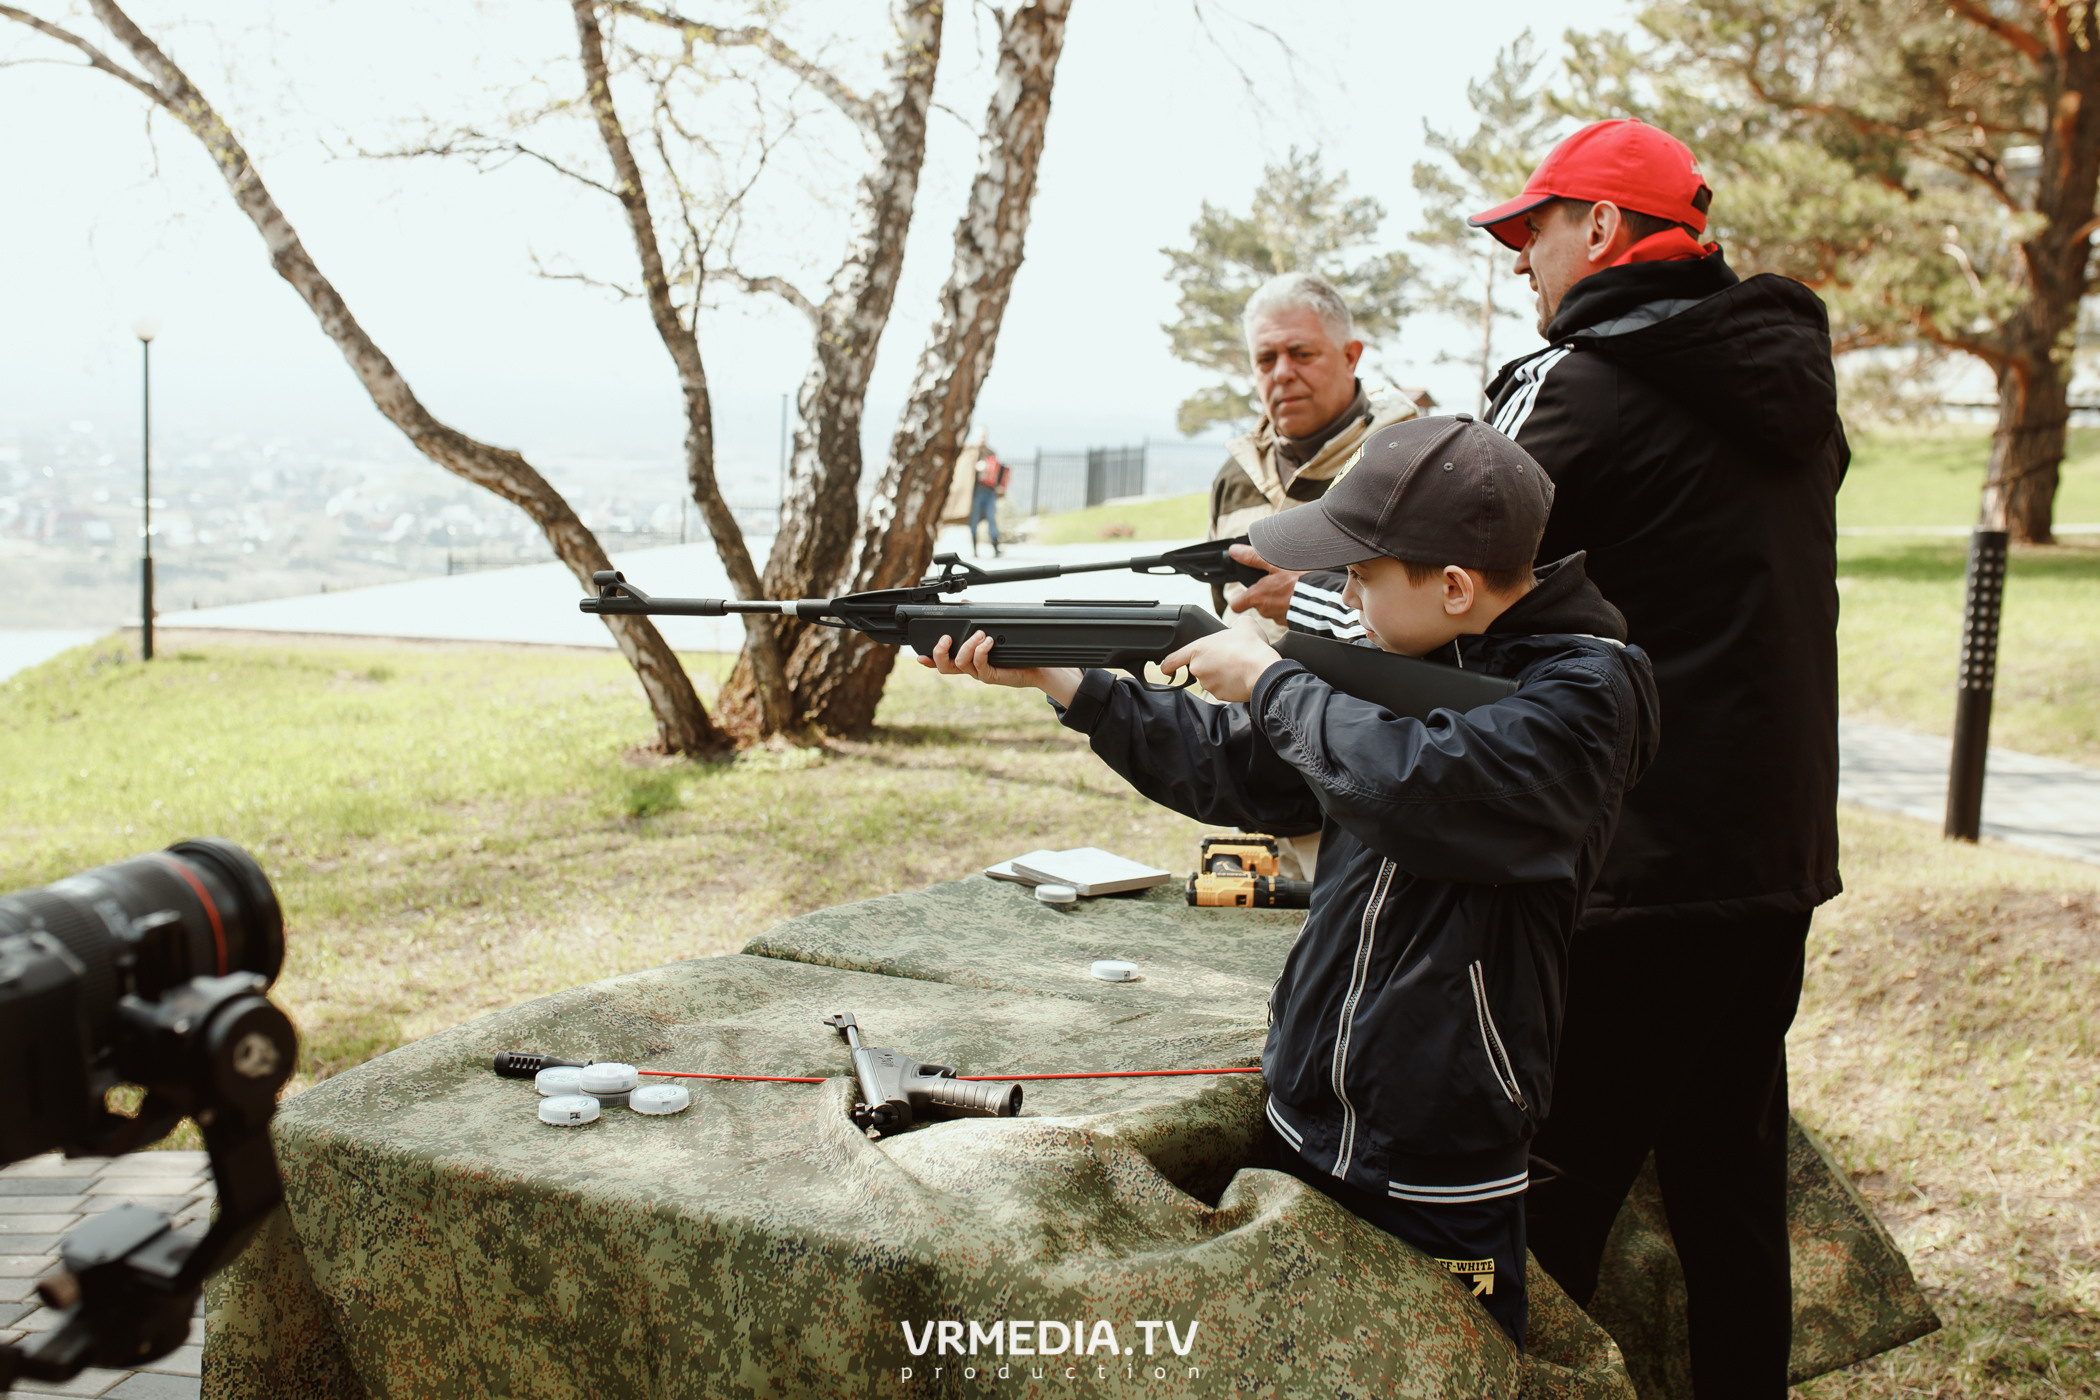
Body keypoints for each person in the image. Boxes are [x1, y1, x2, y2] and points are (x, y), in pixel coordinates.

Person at [1255, 119, 1837, 1398]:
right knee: (1729, 1192)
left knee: (1543, 1207)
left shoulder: (1571, 379)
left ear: (1606, 230)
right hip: (1776, 858)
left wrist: (1301, 634)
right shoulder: (1788, 379)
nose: (1521, 260)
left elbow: (1458, 545)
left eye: (1535, 229)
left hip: (1613, 861)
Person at [922, 414, 1661, 1349]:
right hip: (1309, 1111)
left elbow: (1417, 790)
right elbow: (1237, 768)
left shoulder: (1587, 696)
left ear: (1456, 586)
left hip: (1440, 1151)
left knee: (1459, 1367)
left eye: (1360, 574)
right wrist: (1070, 682)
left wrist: (1272, 681)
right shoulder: (1402, 666)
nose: (1342, 594)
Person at [1205, 271, 1420, 880]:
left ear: (1352, 355)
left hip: (1371, 790)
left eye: (1302, 353)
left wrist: (1303, 597)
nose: (1281, 373)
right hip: (1256, 787)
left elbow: (1438, 623)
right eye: (1265, 358)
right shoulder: (1234, 477)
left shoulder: (1408, 459)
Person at [966, 431, 1010, 558]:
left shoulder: (991, 452)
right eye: (981, 436)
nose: (983, 439)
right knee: (974, 520)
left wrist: (1000, 483)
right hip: (977, 491)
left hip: (990, 491)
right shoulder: (971, 452)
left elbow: (997, 470)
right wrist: (976, 468)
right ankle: (974, 549)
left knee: (991, 517)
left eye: (985, 436)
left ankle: (995, 548)